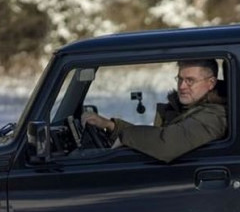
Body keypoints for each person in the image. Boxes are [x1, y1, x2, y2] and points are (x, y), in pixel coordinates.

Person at [82, 59, 227, 163]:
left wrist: (125, 135)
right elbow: (155, 137)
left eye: (190, 80)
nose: (182, 86)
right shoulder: (185, 109)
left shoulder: (214, 115)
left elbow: (166, 144)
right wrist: (111, 126)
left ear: (211, 83)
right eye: (180, 79)